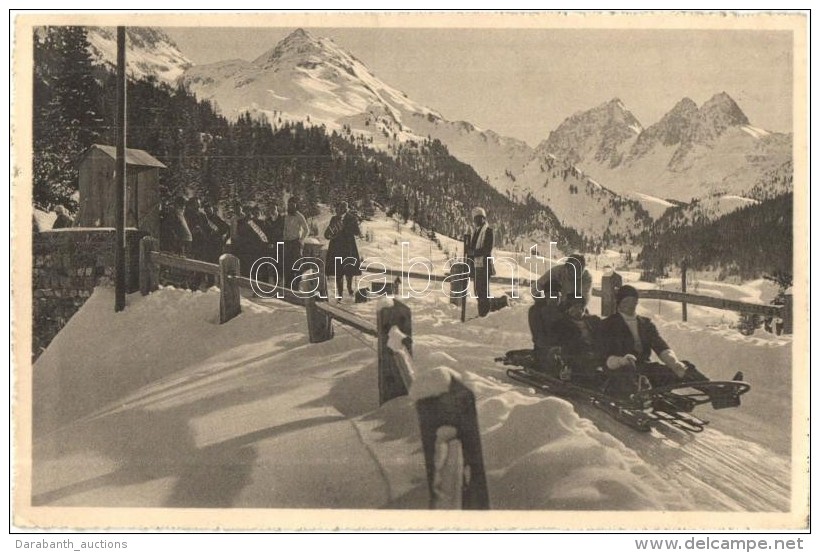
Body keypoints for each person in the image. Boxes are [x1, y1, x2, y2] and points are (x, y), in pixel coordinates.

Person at [597, 285, 709, 398]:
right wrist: (621, 361)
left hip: (645, 368)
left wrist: (674, 363)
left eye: (633, 301)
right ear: (619, 303)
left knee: (685, 367)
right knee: (631, 377)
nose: (630, 305)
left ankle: (715, 391)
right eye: (626, 301)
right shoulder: (608, 324)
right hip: (621, 370)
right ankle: (644, 397)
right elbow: (604, 355)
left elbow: (660, 346)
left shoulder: (646, 324)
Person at [528, 254, 592, 368]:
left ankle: (582, 352)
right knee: (538, 314)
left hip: (572, 304)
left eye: (580, 269)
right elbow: (536, 287)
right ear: (567, 268)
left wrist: (577, 308)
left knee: (585, 324)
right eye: (573, 269)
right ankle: (543, 349)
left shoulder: (586, 277)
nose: (576, 273)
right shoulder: (557, 271)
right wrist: (542, 301)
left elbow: (584, 297)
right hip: (553, 300)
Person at [324, 201, 363, 300]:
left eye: (343, 208)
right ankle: (340, 292)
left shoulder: (351, 219)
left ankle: (349, 288)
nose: (341, 210)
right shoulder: (334, 219)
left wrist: (354, 226)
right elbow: (327, 233)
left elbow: (356, 232)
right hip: (336, 248)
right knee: (338, 271)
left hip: (348, 247)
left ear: (346, 209)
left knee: (349, 270)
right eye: (340, 208)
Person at [466, 207, 496, 317]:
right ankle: (482, 313)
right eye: (475, 219)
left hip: (484, 265)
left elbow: (487, 249)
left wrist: (473, 252)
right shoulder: (476, 232)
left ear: (483, 218)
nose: (477, 221)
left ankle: (485, 314)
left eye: (479, 218)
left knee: (483, 292)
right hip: (477, 266)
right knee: (478, 291)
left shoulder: (488, 231)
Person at [281, 196, 310, 288]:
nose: (291, 207)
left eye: (293, 205)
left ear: (296, 206)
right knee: (287, 264)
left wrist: (301, 240)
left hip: (295, 243)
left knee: (296, 264)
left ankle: (296, 285)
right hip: (287, 243)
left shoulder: (299, 216)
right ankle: (287, 285)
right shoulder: (285, 216)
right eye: (289, 205)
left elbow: (306, 229)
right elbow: (284, 229)